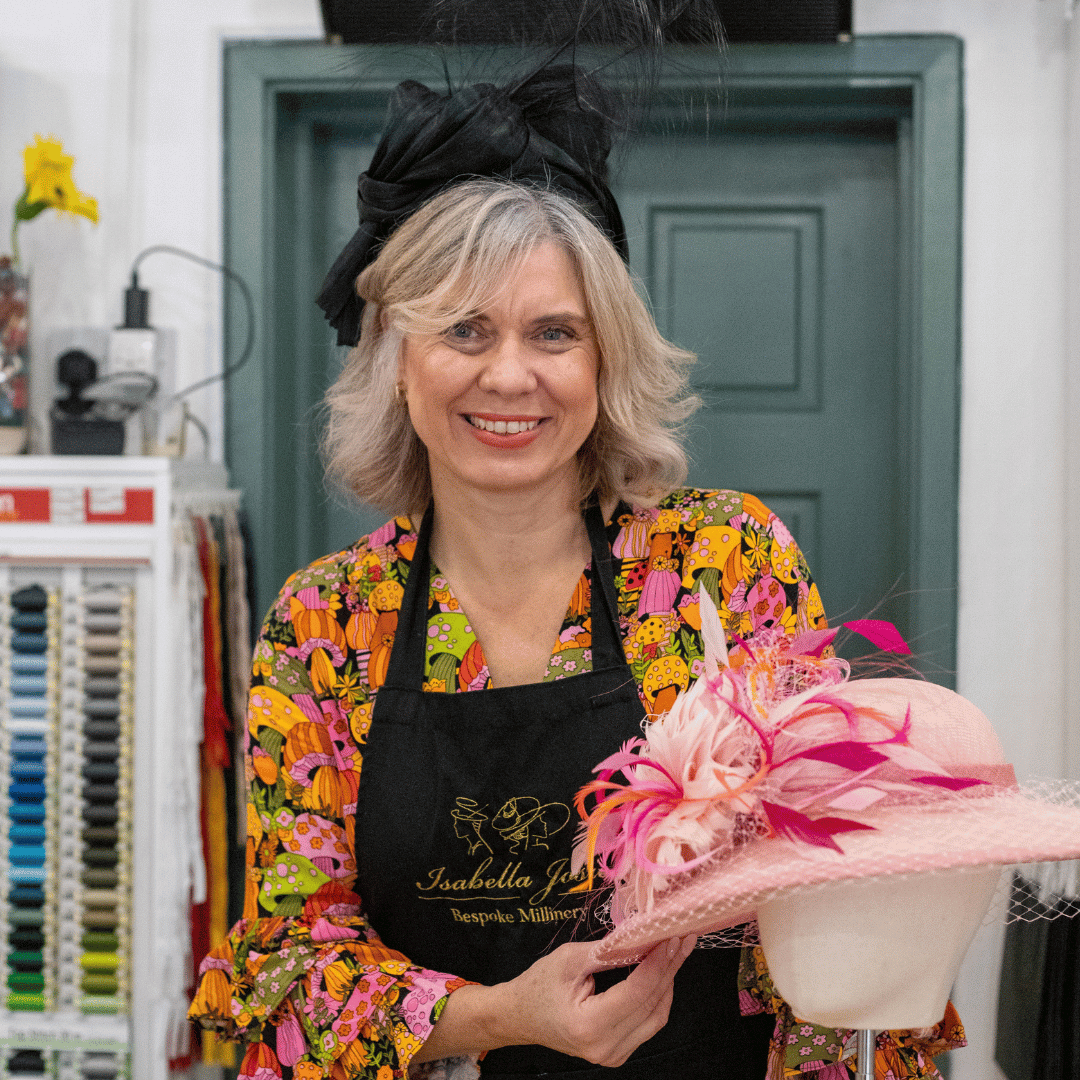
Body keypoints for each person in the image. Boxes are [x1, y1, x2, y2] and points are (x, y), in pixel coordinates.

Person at [189, 73, 964, 1080]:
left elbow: (834, 884)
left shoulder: (724, 563)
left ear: (605, 361)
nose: (510, 375)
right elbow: (290, 963)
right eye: (465, 329)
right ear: (398, 359)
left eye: (554, 333)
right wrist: (498, 1016)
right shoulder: (326, 624)